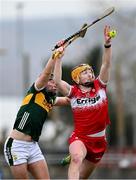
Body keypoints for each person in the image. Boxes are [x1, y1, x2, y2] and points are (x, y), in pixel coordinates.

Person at [54, 25, 113, 179]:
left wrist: (107, 45)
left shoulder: (100, 86)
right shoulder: (73, 92)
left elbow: (106, 64)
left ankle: (75, 157)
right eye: (85, 73)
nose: (89, 74)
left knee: (83, 177)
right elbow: (57, 81)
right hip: (80, 138)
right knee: (77, 158)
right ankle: (74, 155)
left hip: (99, 141)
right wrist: (58, 58)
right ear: (77, 78)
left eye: (90, 72)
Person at [4, 46, 69, 179]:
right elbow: (45, 74)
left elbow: (69, 100)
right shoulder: (36, 91)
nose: (54, 84)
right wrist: (54, 56)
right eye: (51, 81)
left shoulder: (50, 100)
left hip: (33, 146)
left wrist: (86, 92)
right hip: (16, 145)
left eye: (54, 82)